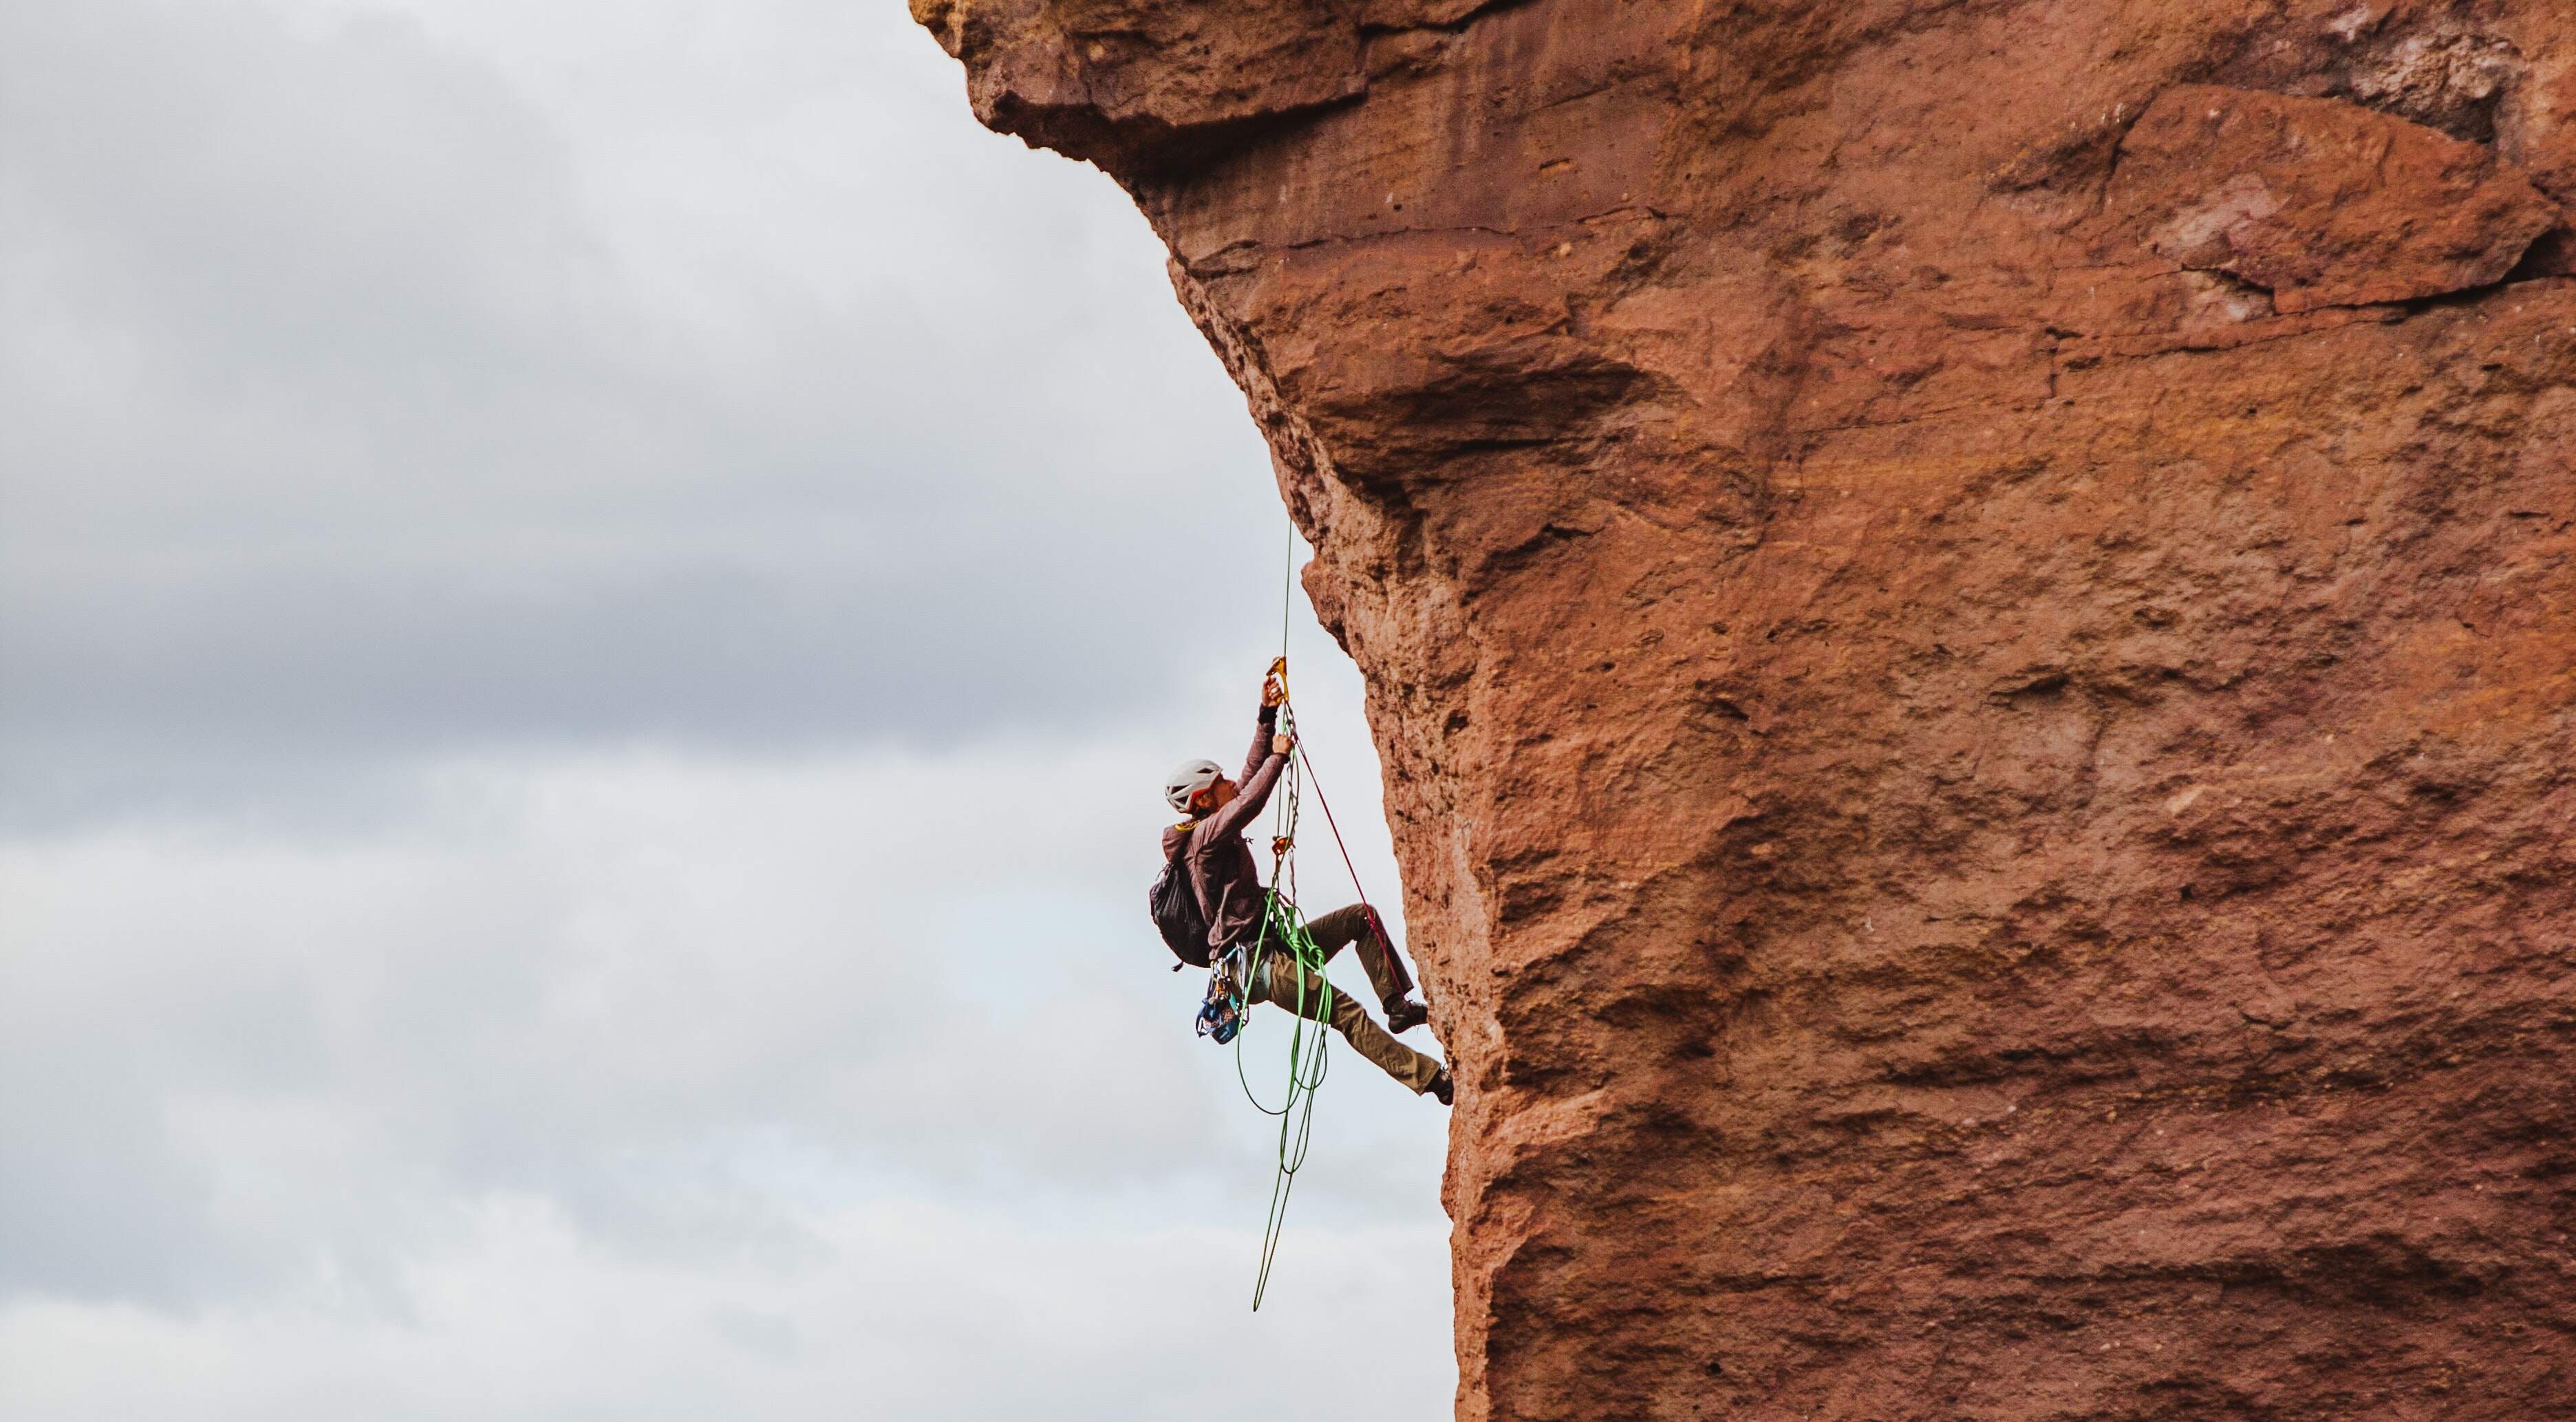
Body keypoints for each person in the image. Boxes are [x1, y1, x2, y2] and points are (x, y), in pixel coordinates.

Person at [1162, 668, 1452, 1105]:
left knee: (1362, 918)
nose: (1229, 784)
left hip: (1272, 947)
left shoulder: (1210, 824)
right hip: (1258, 965)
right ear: (1202, 800)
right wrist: (1278, 757)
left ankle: (1398, 1009)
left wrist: (1266, 716)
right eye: (1219, 783)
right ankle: (1432, 1081)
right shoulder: (1203, 841)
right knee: (1346, 1013)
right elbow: (1251, 800)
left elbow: (1246, 780)